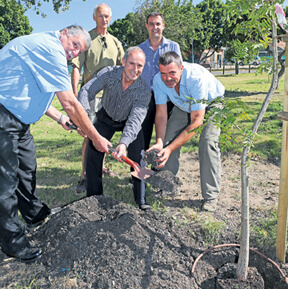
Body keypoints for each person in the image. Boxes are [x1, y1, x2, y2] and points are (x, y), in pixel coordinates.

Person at [0, 25, 113, 263]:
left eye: (78, 51)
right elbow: (70, 102)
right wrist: (95, 136)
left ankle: (34, 215)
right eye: (74, 45)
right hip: (3, 118)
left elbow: (38, 92)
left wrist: (60, 117)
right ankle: (13, 243)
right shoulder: (50, 49)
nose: (73, 53)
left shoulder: (49, 47)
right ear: (63, 33)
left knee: (27, 168)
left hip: (18, 122)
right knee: (6, 182)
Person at [148, 51, 225, 212]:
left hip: (211, 104)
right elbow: (161, 115)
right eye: (163, 73)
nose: (167, 78)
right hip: (183, 105)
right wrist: (160, 142)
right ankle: (168, 185)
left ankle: (211, 196)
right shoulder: (158, 80)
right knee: (168, 139)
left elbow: (196, 122)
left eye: (172, 73)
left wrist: (169, 149)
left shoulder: (195, 79)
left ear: (181, 68)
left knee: (207, 142)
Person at [77, 47, 151, 210]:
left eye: (140, 66)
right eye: (132, 63)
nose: (135, 69)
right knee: (93, 150)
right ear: (124, 61)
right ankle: (94, 197)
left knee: (138, 156)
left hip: (128, 121)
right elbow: (87, 90)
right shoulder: (109, 74)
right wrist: (83, 117)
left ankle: (141, 200)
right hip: (106, 117)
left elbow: (135, 120)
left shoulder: (144, 90)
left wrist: (123, 144)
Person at [71, 3, 124, 194]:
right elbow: (76, 67)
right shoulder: (85, 40)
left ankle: (100, 168)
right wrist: (75, 94)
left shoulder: (116, 43)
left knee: (104, 135)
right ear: (94, 17)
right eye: (101, 16)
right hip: (91, 96)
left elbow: (122, 70)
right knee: (89, 135)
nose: (105, 20)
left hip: (110, 98)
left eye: (107, 16)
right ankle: (85, 175)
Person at [138, 12, 182, 150]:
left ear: (163, 25)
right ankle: (138, 169)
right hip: (145, 97)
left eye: (158, 23)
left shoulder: (173, 47)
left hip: (168, 97)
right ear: (146, 26)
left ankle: (160, 168)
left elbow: (180, 72)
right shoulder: (140, 49)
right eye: (151, 23)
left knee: (166, 136)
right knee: (141, 136)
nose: (154, 27)